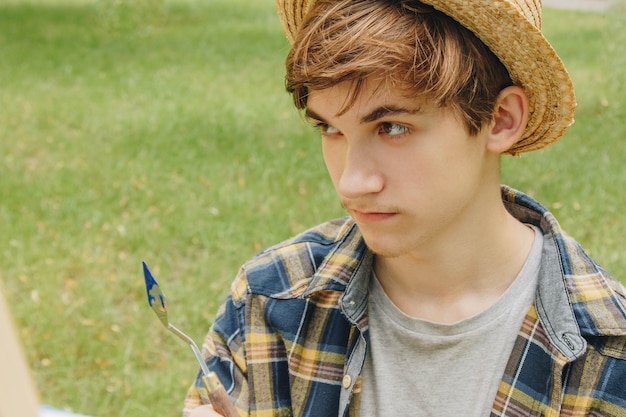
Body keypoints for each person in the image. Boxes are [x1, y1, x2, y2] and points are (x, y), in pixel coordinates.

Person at [184, 0, 626, 416]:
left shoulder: (611, 356)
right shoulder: (271, 300)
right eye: (330, 128)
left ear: (501, 118)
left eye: (392, 127)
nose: (351, 183)